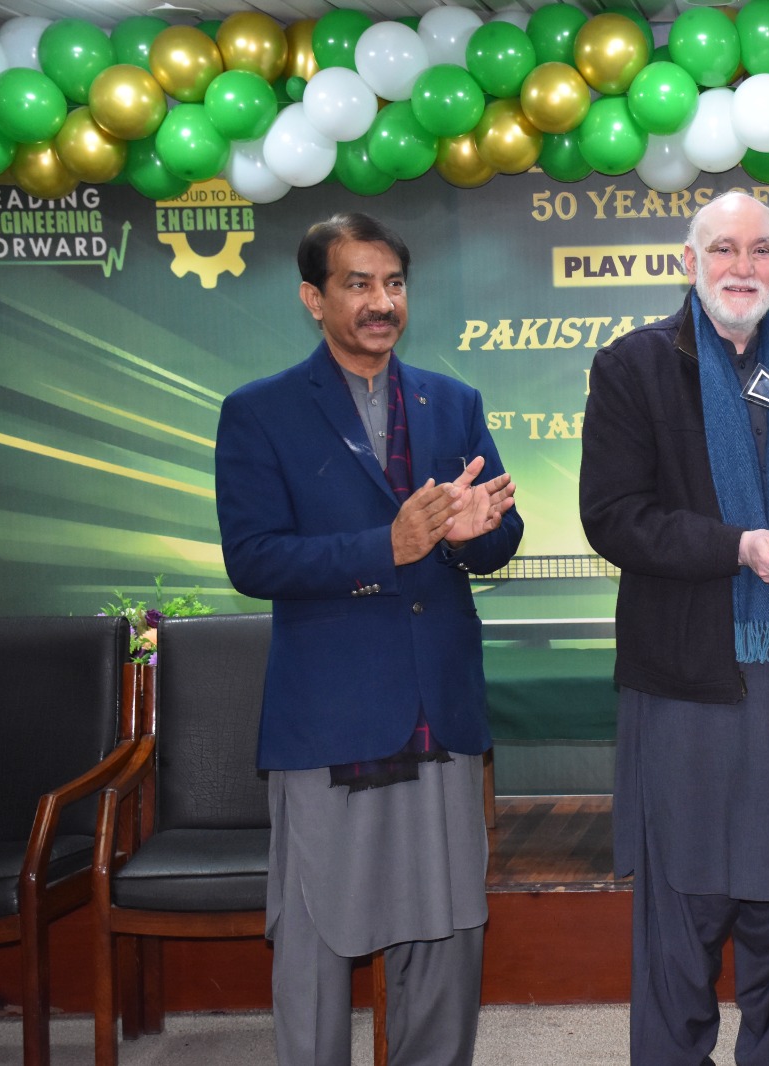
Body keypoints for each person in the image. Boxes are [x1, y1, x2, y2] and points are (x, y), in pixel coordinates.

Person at [214, 212, 524, 1066]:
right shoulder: (259, 413)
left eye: (393, 284)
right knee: (318, 934)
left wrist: (474, 533)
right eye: (358, 284)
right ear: (314, 298)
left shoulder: (451, 402)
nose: (381, 302)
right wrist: (384, 548)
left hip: (439, 707)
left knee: (446, 928)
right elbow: (253, 558)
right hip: (331, 714)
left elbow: (501, 533)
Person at [578, 190, 769, 1066]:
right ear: (691, 260)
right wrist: (735, 546)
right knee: (683, 917)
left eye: (762, 251)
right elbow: (613, 518)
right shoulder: (633, 366)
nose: (744, 267)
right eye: (725, 249)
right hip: (687, 681)